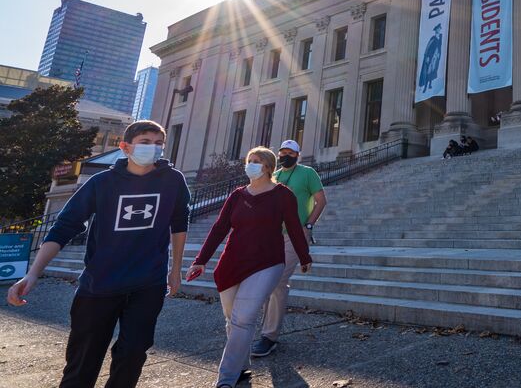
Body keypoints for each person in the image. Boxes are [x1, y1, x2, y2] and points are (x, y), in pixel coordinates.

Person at [6, 120, 190, 388]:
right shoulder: (101, 182)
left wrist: (175, 271)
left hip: (147, 284)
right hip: (99, 284)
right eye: (145, 142)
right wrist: (33, 274)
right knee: (82, 363)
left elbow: (179, 223)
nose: (153, 148)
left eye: (158, 143)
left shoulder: (173, 180)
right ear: (125, 147)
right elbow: (63, 228)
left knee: (132, 356)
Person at [189, 147, 312, 388]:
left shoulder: (283, 195)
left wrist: (304, 256)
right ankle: (242, 367)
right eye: (249, 161)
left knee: (243, 319)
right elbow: (219, 228)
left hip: (268, 262)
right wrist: (201, 260)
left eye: (256, 162)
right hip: (232, 264)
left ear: (268, 167)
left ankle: (226, 379)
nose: (250, 165)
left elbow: (295, 228)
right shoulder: (237, 195)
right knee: (232, 320)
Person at [251, 140, 326, 357]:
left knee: (278, 280)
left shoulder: (307, 173)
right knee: (267, 281)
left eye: (290, 152)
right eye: (282, 152)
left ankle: (269, 336)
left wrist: (308, 225)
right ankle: (267, 330)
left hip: (294, 236)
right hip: (270, 236)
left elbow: (321, 201)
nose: (285, 155)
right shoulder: (274, 174)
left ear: (297, 155)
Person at [418, 23, 443, 93]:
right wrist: (427, 56)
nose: (439, 29)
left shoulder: (440, 37)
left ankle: (430, 84)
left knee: (433, 70)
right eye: (438, 28)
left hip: (436, 56)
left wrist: (439, 54)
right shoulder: (433, 38)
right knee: (428, 70)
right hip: (430, 56)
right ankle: (425, 87)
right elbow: (428, 48)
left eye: (440, 28)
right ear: (436, 30)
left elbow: (440, 47)